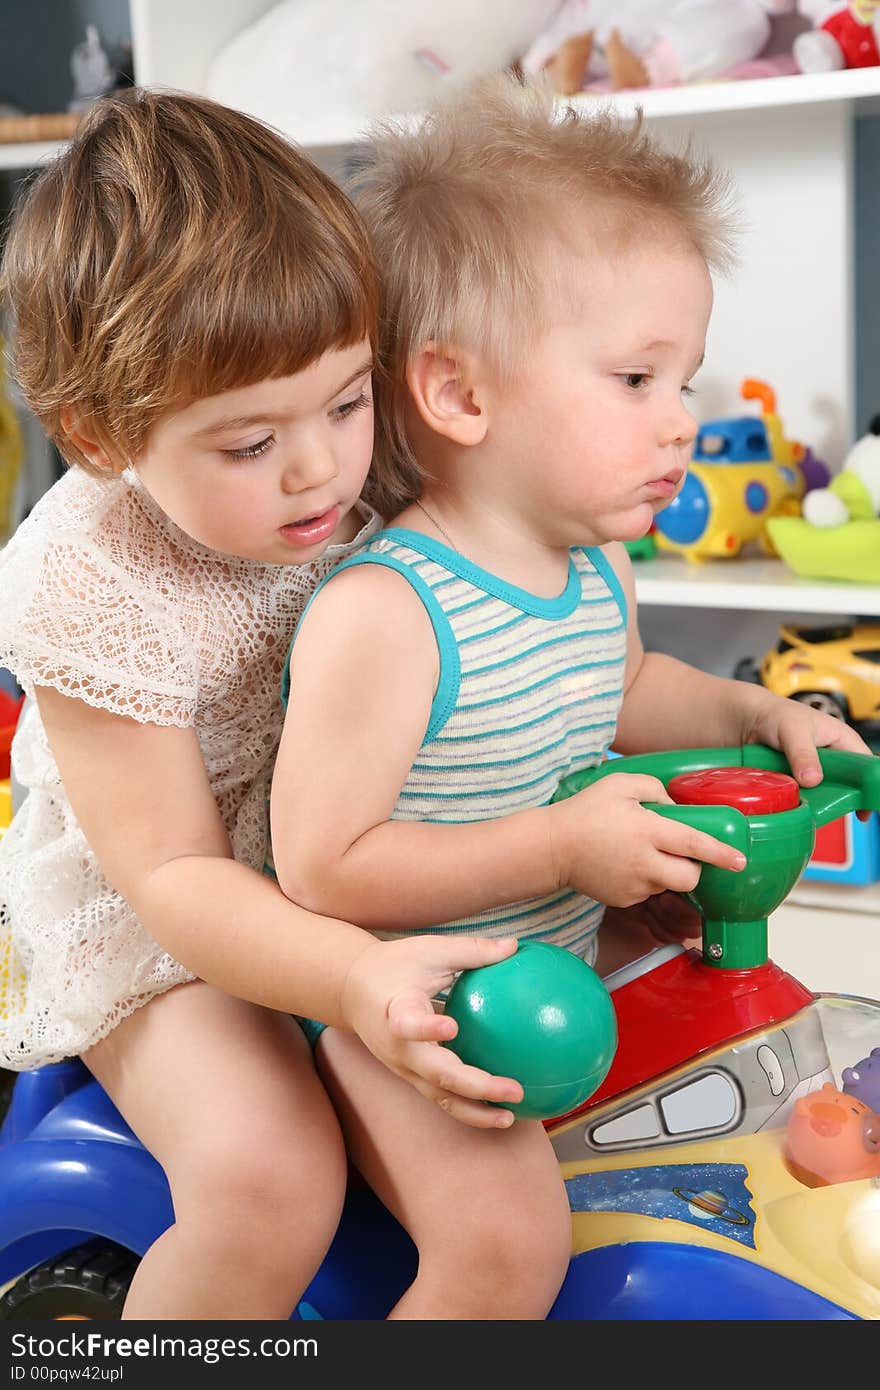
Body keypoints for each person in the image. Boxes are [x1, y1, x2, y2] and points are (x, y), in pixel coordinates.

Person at [270, 75, 873, 1320]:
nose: (683, 422)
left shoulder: (594, 567)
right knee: (508, 1248)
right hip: (402, 1009)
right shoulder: (387, 612)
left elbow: (630, 686)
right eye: (637, 379)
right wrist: (556, 842)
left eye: (686, 377)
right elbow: (320, 868)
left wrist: (756, 715)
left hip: (551, 967)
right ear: (462, 395)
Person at [0, 88, 524, 1321]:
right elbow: (174, 875)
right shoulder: (86, 581)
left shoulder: (338, 455)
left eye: (346, 402)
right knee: (270, 1184)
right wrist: (345, 977)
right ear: (97, 432)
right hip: (163, 919)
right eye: (247, 445)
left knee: (521, 1182)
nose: (321, 468)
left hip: (334, 854)